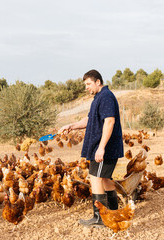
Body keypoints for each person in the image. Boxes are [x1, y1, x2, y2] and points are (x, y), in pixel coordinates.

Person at [58, 69, 123, 228]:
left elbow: (109, 122)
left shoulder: (106, 96)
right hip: (101, 147)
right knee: (106, 179)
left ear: (98, 82)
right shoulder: (98, 98)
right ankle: (113, 213)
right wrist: (72, 126)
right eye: (85, 84)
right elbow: (89, 120)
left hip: (104, 148)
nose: (86, 87)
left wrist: (101, 148)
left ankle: (99, 218)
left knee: (95, 178)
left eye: (88, 84)